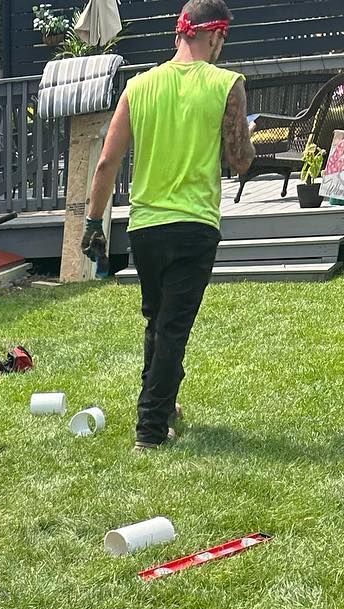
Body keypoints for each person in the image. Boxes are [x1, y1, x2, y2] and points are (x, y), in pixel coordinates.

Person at [82, 0, 254, 451]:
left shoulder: (139, 87)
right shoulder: (227, 85)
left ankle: (164, 401)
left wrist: (92, 224)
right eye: (223, 40)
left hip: (145, 227)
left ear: (182, 32)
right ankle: (151, 431)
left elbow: (105, 163)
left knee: (158, 320)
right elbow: (240, 161)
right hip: (194, 225)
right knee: (173, 327)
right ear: (214, 36)